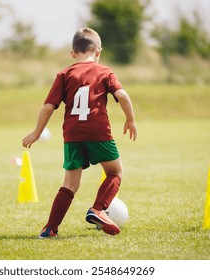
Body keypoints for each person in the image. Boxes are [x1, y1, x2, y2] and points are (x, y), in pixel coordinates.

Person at [22, 27, 137, 238]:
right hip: (99, 131)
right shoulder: (105, 72)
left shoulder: (65, 74)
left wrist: (37, 132)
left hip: (72, 135)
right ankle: (98, 209)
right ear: (98, 51)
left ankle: (49, 229)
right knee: (115, 172)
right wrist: (130, 120)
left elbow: (48, 106)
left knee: (70, 184)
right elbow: (122, 95)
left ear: (73, 53)